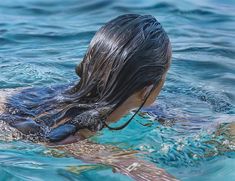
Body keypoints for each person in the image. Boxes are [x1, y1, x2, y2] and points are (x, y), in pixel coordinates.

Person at [0, 14, 176, 180]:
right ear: (146, 91)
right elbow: (56, 142)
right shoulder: (68, 134)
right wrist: (124, 160)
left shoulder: (80, 92)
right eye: (166, 72)